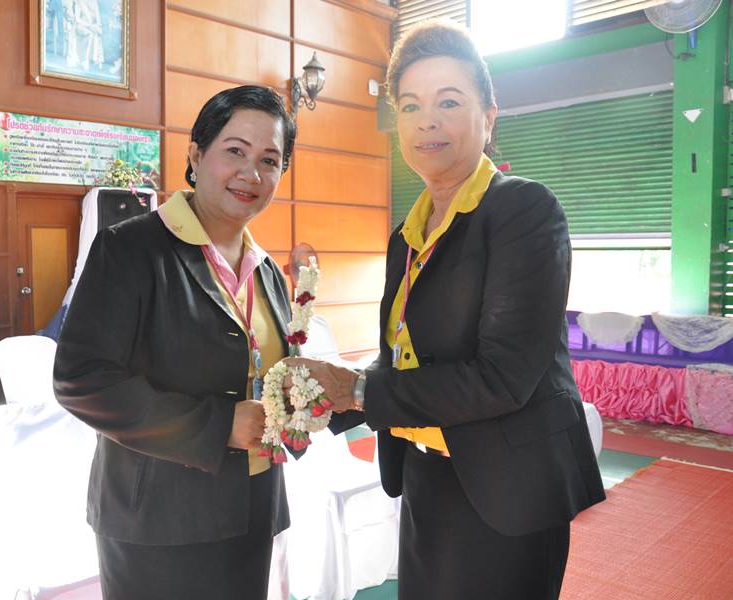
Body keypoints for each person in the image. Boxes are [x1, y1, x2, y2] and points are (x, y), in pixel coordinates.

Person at [287, 20, 606, 599]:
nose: (426, 121)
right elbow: (408, 362)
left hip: (507, 492)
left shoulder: (524, 212)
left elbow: (503, 378)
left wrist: (356, 390)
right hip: (426, 475)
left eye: (449, 102)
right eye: (410, 106)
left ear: (489, 117)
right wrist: (322, 403)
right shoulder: (405, 236)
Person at [54, 85, 297, 600]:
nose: (251, 173)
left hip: (251, 507)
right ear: (196, 155)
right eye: (235, 150)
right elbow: (81, 380)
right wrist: (219, 425)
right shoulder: (130, 248)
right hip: (157, 520)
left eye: (269, 160)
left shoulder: (269, 272)